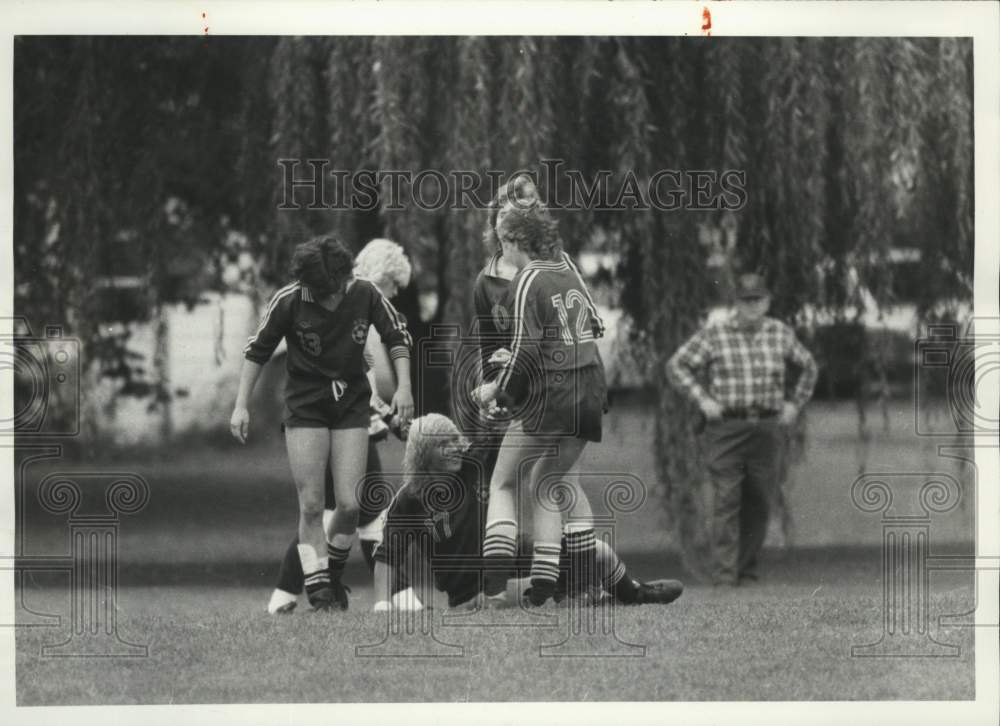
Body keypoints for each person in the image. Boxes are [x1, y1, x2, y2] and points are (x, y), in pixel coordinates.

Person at [231, 235, 414, 611]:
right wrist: (240, 406)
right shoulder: (290, 299)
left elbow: (398, 335)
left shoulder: (364, 292)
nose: (333, 299)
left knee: (349, 505)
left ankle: (325, 576)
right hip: (306, 407)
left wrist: (405, 388)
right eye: (325, 294)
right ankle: (319, 591)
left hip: (350, 407)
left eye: (338, 291)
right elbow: (257, 350)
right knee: (312, 504)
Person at [372, 414, 684, 610]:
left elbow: (506, 433)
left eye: (456, 439)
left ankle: (635, 593)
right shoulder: (408, 500)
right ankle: (584, 596)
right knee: (545, 588)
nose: (456, 447)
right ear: (424, 455)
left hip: (514, 554)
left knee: (596, 551)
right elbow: (386, 556)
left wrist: (502, 404)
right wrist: (383, 604)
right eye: (444, 444)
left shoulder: (474, 464)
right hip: (474, 591)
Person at [472, 198, 608, 607]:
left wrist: (497, 392)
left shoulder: (527, 278)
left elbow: (527, 350)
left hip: (555, 391)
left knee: (503, 480)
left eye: (503, 240)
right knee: (547, 482)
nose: (502, 249)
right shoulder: (566, 268)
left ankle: (494, 584)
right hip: (591, 389)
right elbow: (594, 325)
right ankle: (544, 588)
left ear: (514, 239)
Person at [666, 272, 818, 587]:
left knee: (760, 499)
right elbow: (677, 366)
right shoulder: (715, 333)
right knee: (726, 498)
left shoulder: (779, 333)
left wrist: (794, 404)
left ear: (767, 302)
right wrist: (702, 399)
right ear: (736, 302)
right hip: (726, 427)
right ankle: (724, 574)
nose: (752, 306)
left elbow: (808, 367)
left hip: (766, 425)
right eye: (746, 300)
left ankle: (745, 568)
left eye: (757, 300)